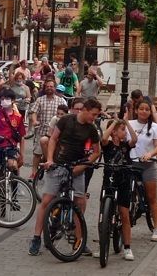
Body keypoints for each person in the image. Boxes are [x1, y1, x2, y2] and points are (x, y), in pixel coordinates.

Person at [28, 96, 101, 256]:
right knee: (46, 201)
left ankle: (79, 240)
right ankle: (36, 237)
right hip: (59, 164)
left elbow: (96, 152)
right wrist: (50, 159)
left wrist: (83, 165)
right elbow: (53, 139)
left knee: (80, 202)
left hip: (77, 167)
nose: (95, 118)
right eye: (94, 114)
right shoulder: (66, 120)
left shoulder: (91, 128)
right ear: (85, 110)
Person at [99, 118, 138, 261]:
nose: (125, 132)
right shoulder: (107, 145)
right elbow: (104, 138)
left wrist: (126, 123)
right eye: (122, 130)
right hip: (109, 180)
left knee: (124, 213)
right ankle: (102, 246)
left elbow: (134, 139)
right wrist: (115, 123)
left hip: (123, 180)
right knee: (103, 214)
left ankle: (127, 247)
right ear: (114, 132)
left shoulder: (125, 146)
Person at [129, 99, 157, 241]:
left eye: (147, 109)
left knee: (151, 197)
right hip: (132, 163)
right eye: (141, 109)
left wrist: (150, 154)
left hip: (148, 164)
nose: (144, 111)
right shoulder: (130, 124)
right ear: (136, 110)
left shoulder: (155, 127)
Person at [27, 79, 64, 178]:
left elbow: (65, 115)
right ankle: (34, 172)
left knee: (54, 153)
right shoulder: (40, 100)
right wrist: (34, 121)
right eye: (47, 86)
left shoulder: (61, 100)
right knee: (37, 153)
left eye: (51, 86)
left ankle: (50, 166)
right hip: (41, 130)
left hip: (55, 133)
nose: (49, 88)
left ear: (55, 88)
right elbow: (34, 112)